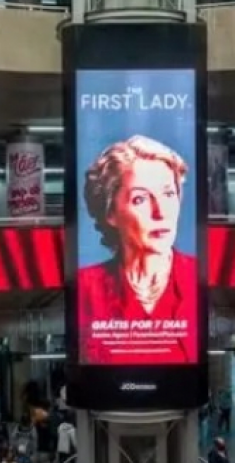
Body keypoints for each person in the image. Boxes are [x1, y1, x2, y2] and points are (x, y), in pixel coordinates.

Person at [77, 135, 198, 365]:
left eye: (168, 194)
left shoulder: (199, 277)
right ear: (110, 212)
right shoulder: (85, 287)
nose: (160, 212)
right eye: (140, 199)